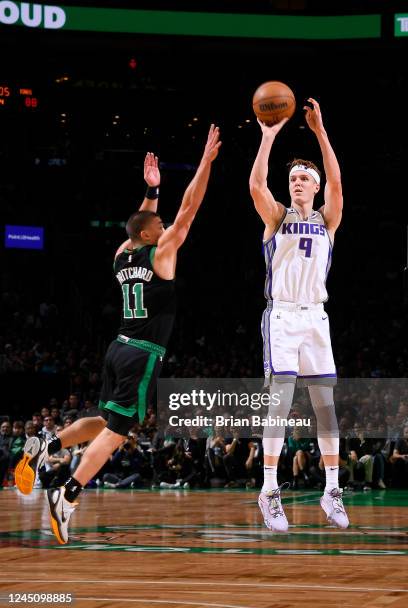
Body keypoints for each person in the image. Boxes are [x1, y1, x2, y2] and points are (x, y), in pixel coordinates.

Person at [15, 124, 221, 544]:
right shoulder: (161, 253)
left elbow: (138, 225)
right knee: (116, 433)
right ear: (150, 235)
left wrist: (151, 192)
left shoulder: (121, 255)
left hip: (117, 347)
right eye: (159, 225)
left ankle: (46, 442)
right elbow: (190, 208)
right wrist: (204, 163)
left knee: (106, 419)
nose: (167, 228)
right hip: (143, 352)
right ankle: (68, 496)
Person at [249, 98, 349, 531]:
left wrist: (321, 133)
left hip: (317, 319)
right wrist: (268, 138)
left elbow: (338, 183)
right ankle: (269, 490)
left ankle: (331, 492)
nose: (297, 183)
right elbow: (256, 186)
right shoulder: (277, 217)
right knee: (281, 404)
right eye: (292, 178)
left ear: (316, 185)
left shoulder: (328, 219)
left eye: (304, 178)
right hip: (283, 318)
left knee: (325, 408)